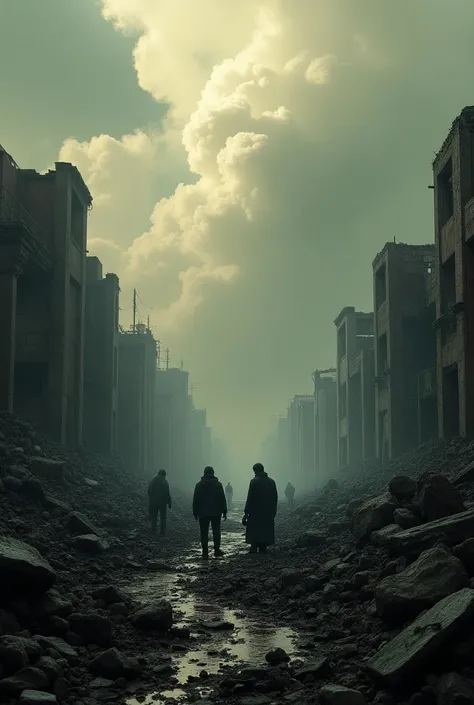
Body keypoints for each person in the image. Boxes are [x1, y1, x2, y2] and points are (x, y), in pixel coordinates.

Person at [193, 466, 227, 560]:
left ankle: (205, 553)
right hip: (216, 512)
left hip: (203, 512)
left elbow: (196, 499)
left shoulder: (199, 485)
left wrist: (195, 512)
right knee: (216, 531)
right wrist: (224, 511)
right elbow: (222, 499)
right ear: (213, 473)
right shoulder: (218, 484)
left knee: (204, 532)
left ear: (204, 473)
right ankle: (216, 550)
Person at [243, 463, 278, 554]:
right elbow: (275, 498)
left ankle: (253, 547)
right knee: (265, 528)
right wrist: (273, 511)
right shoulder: (271, 482)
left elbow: (250, 497)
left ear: (256, 470)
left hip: (255, 511)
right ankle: (263, 548)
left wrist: (246, 512)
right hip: (267, 511)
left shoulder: (254, 481)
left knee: (255, 529)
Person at [148, 469, 172, 536]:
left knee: (154, 517)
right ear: (164, 474)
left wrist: (151, 499)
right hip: (162, 503)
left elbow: (149, 491)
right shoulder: (165, 482)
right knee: (163, 518)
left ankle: (153, 531)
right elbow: (167, 493)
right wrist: (169, 502)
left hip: (154, 502)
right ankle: (162, 532)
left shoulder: (153, 480)